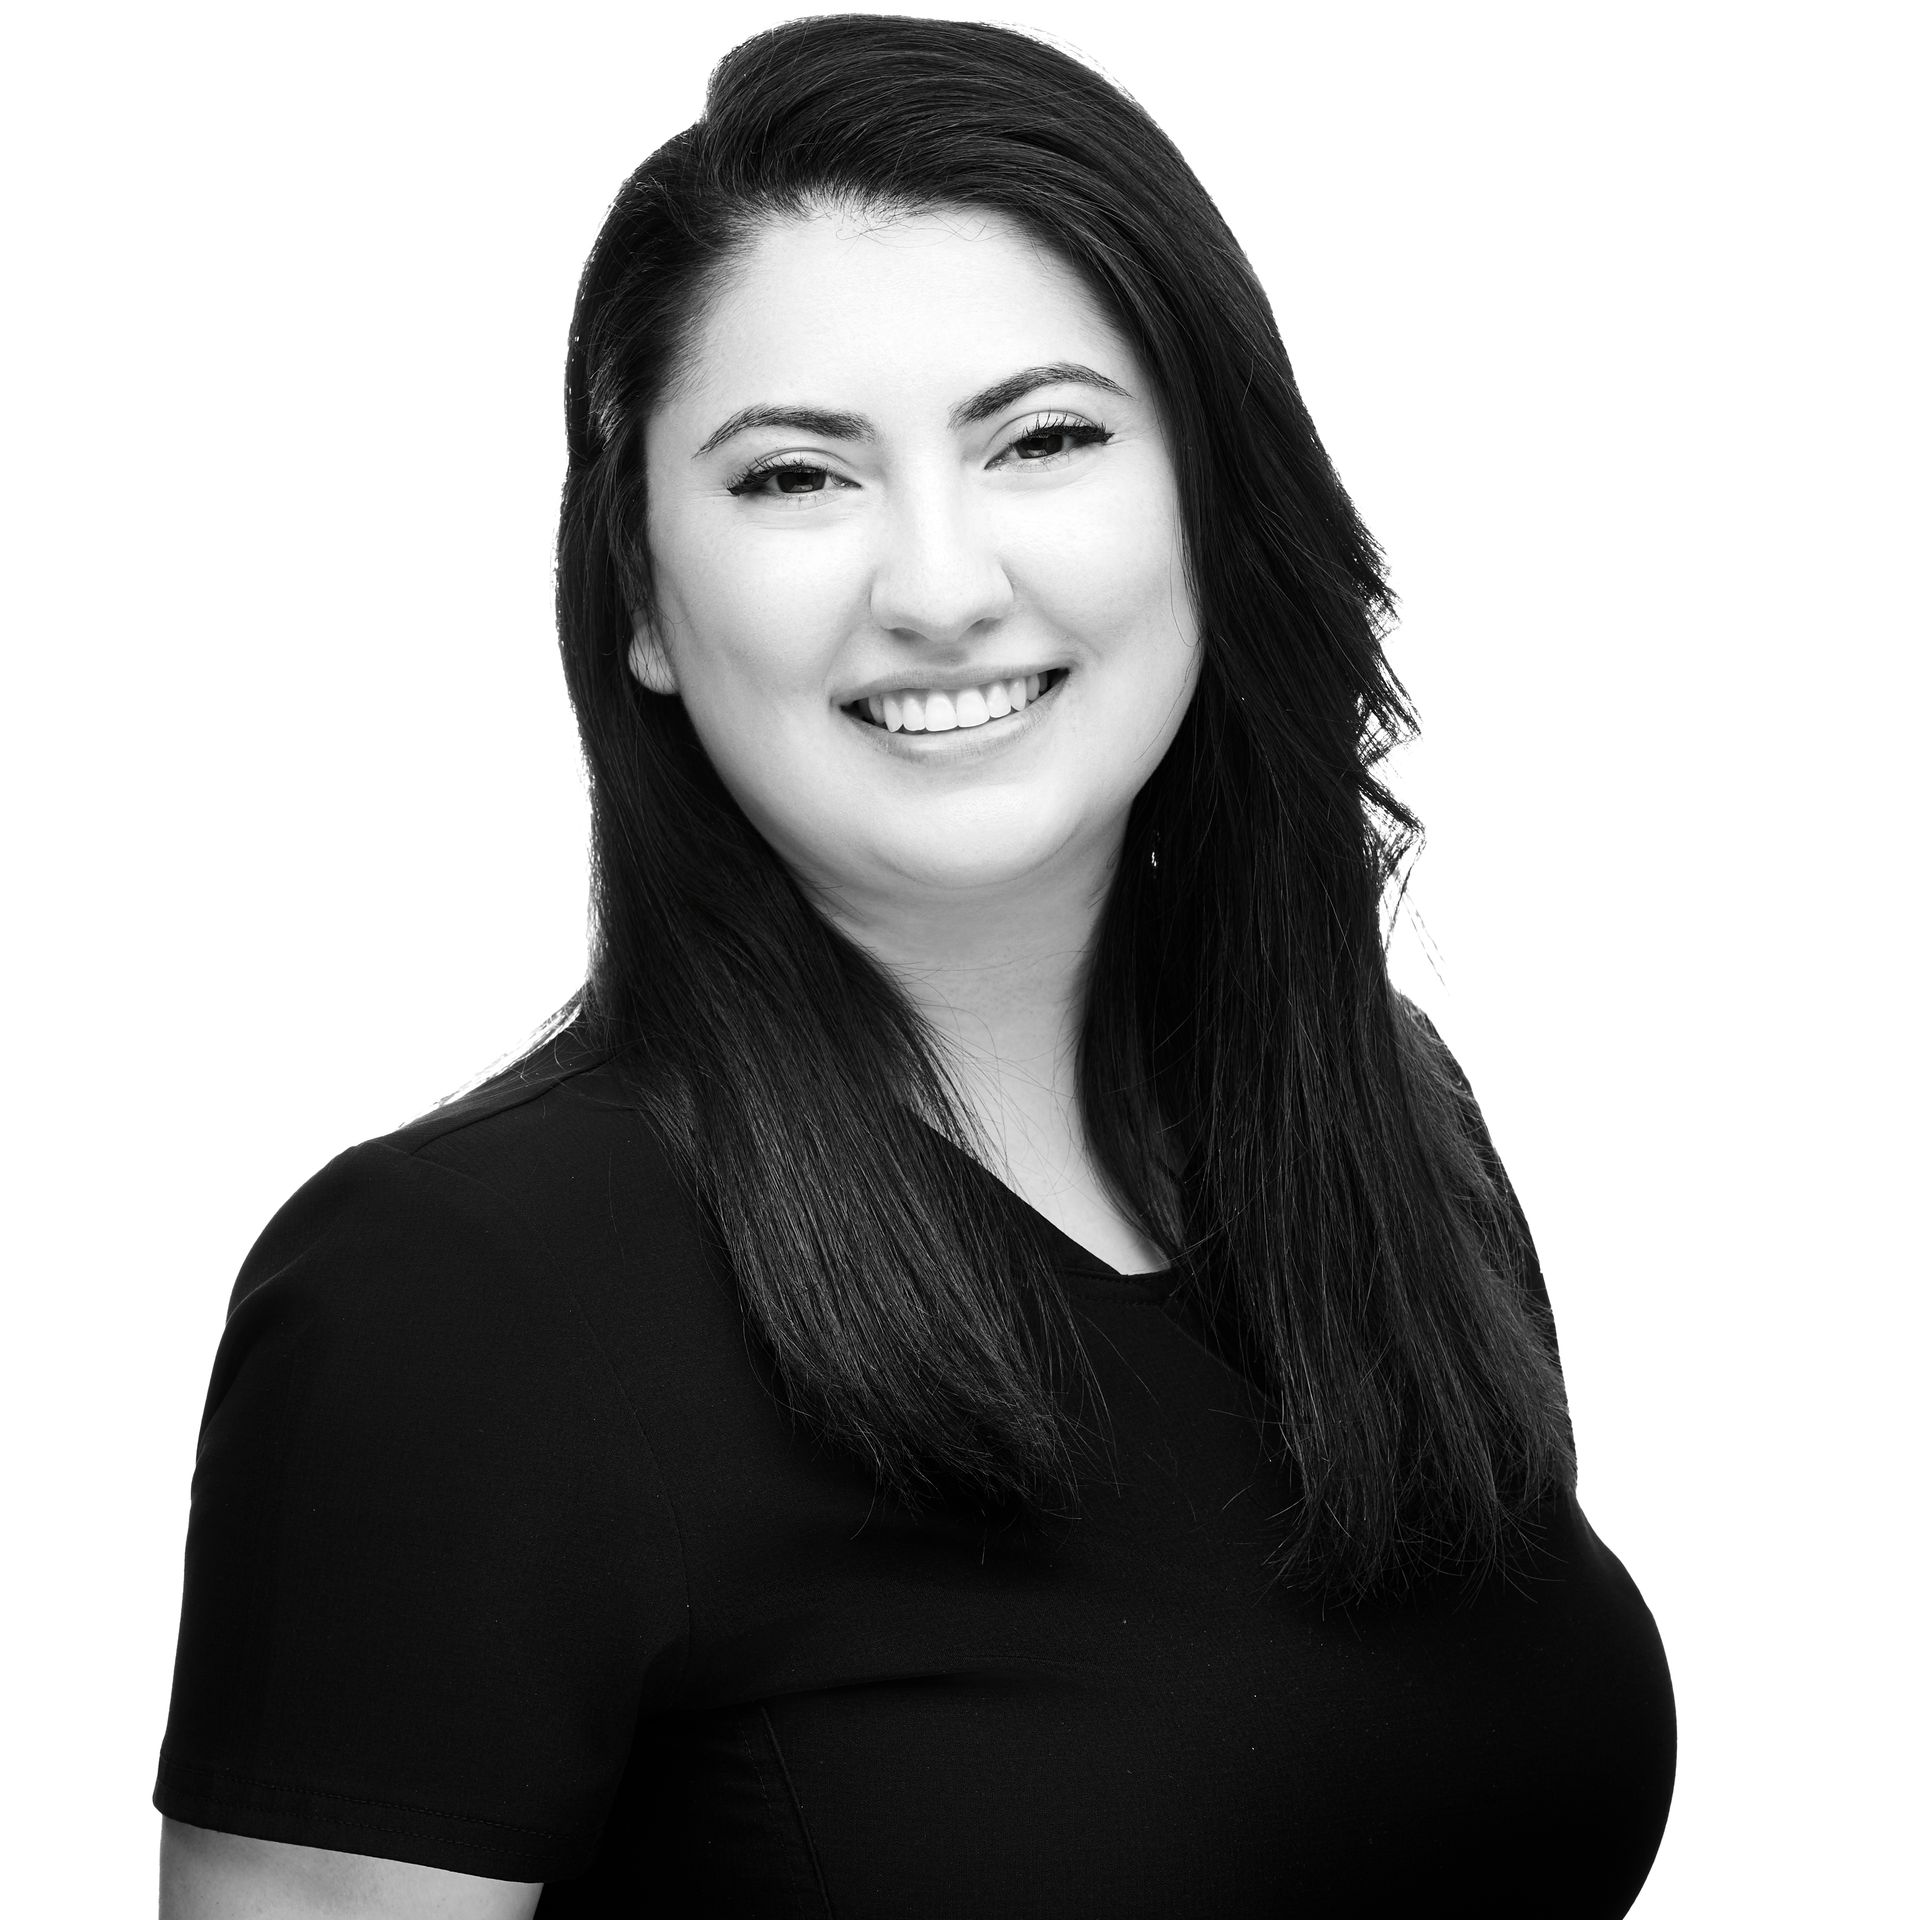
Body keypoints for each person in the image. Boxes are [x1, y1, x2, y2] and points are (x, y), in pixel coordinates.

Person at [155, 16, 1676, 1917]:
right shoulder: (453, 1301)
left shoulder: (1381, 1131)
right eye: (799, 477)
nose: (941, 587)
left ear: (1219, 508)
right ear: (642, 599)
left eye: (1044, 440)